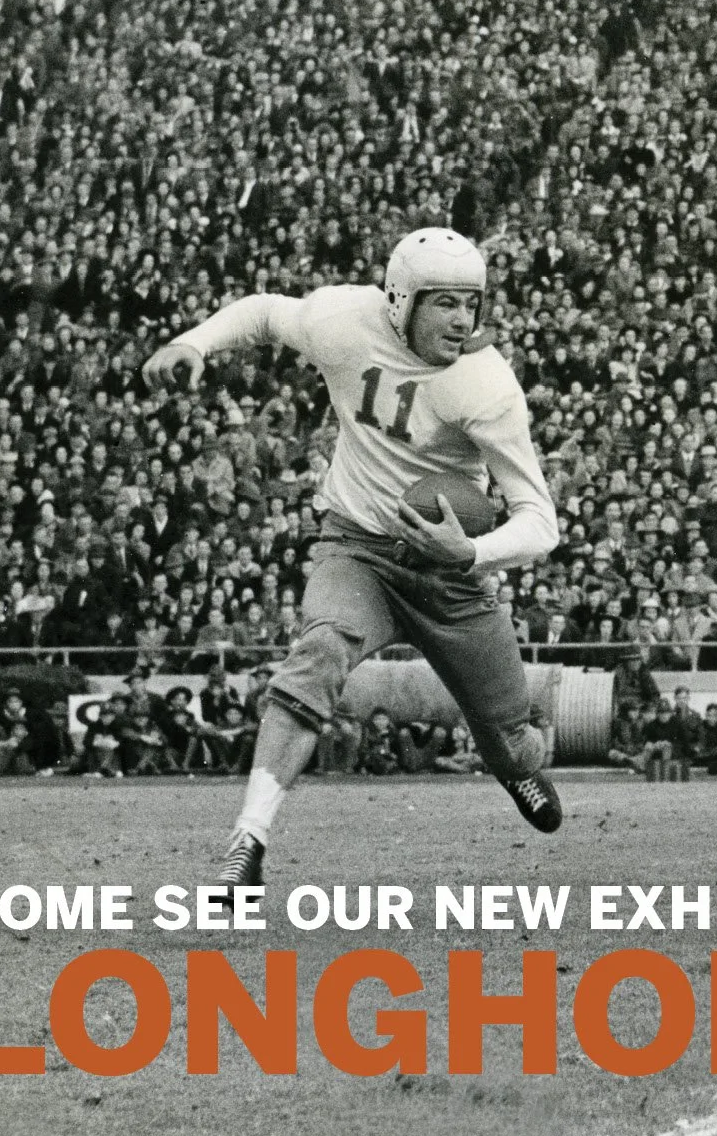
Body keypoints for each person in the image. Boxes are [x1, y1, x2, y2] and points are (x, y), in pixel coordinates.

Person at [143, 227, 564, 885]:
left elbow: (542, 520)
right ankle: (245, 843)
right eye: (444, 302)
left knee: (509, 736)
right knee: (316, 656)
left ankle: (515, 767)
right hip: (358, 547)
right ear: (400, 299)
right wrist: (192, 341)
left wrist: (471, 550)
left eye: (470, 303)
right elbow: (264, 314)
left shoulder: (486, 383)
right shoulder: (344, 318)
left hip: (446, 572)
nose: (462, 319)